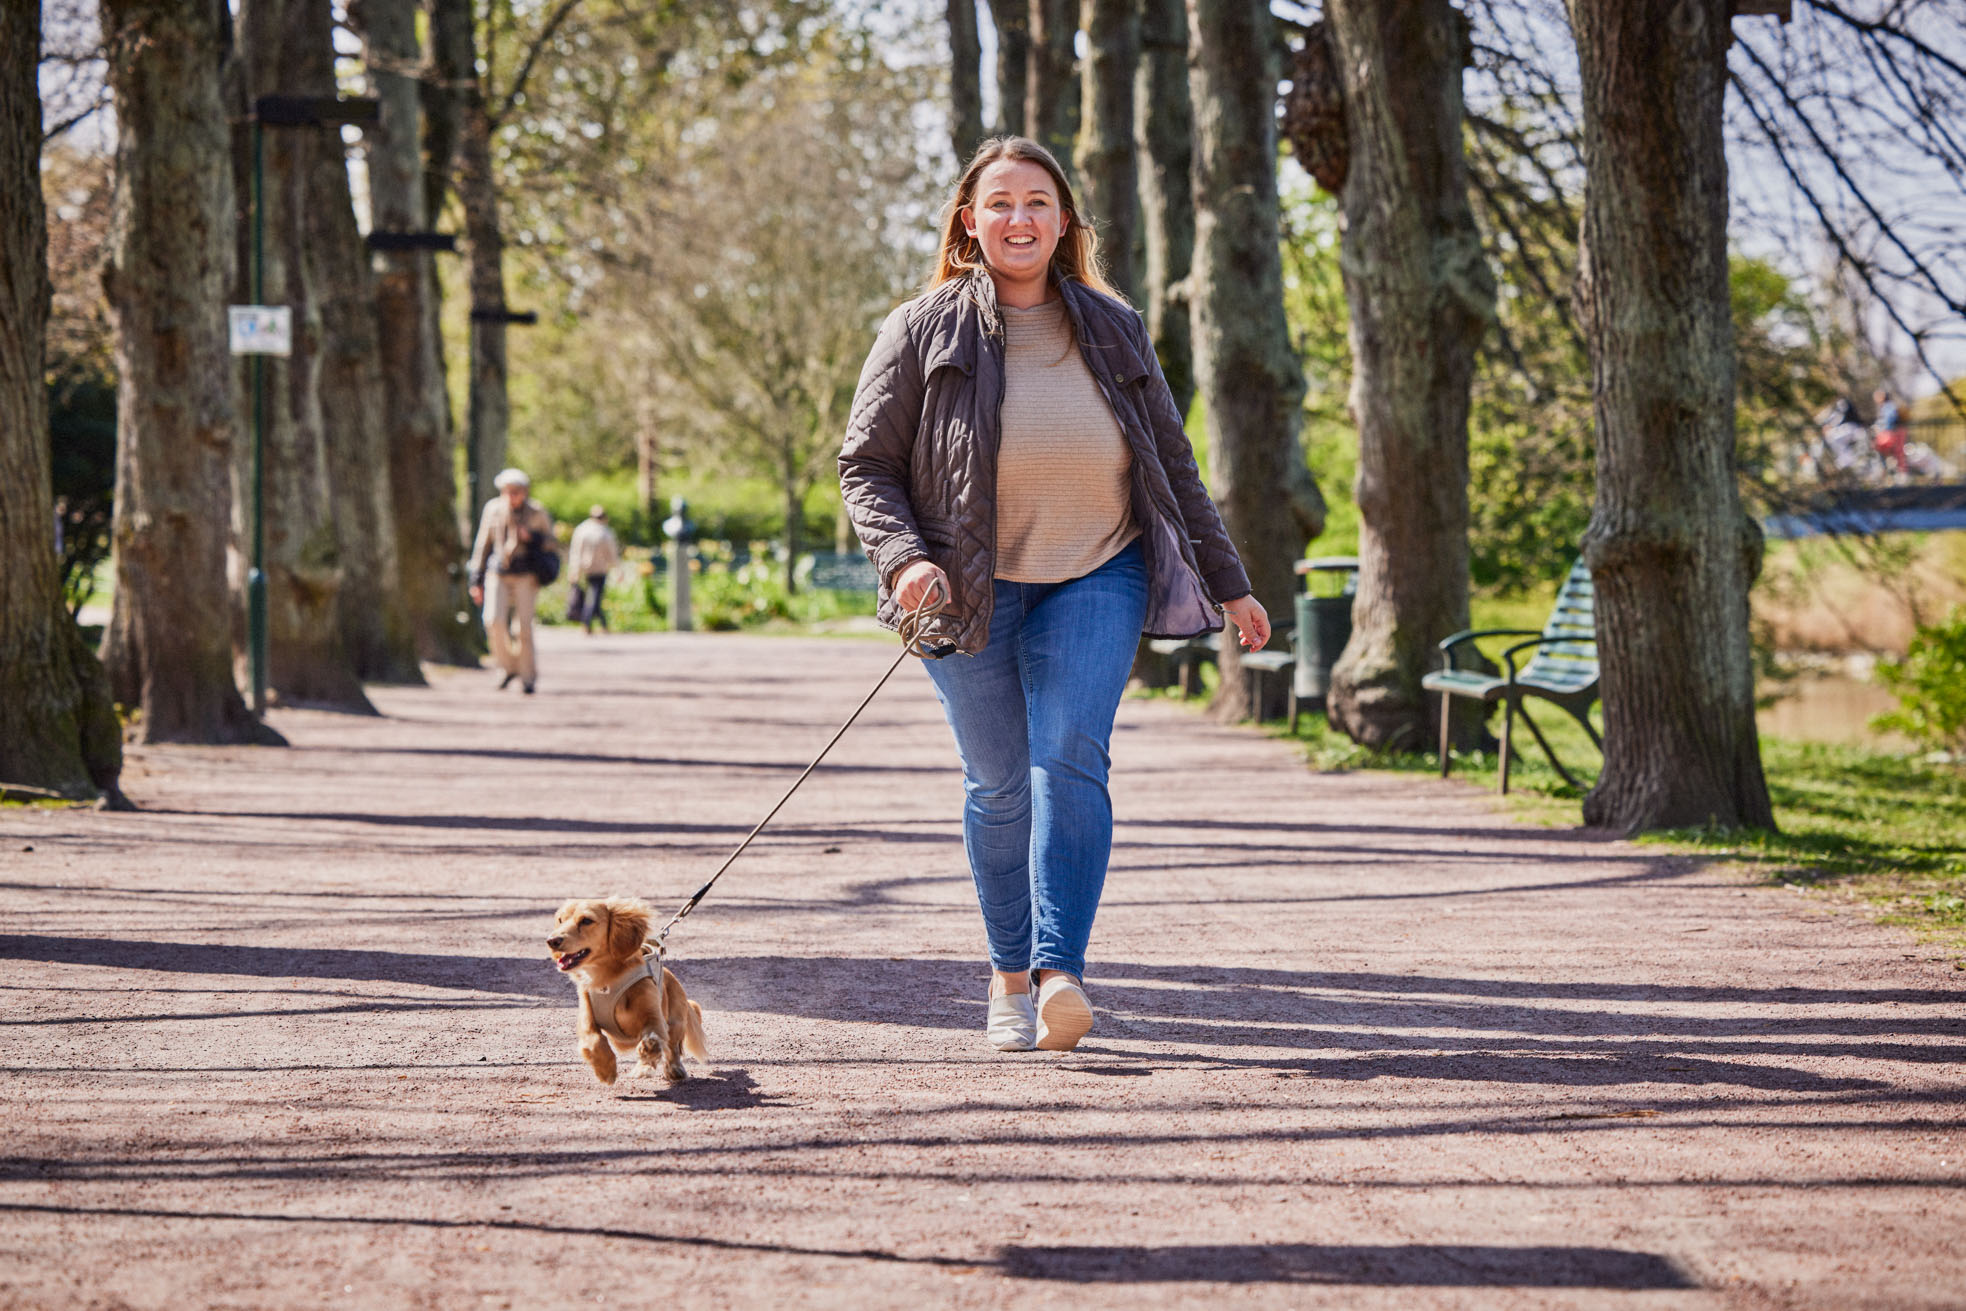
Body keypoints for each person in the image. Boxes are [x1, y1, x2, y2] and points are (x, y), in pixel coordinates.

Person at [838, 137, 1269, 1054]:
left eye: (1038, 202)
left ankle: (1059, 969)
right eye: (999, 203)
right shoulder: (918, 329)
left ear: (1065, 220)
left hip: (1097, 572)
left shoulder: (1113, 325)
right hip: (966, 592)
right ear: (969, 220)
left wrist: (1228, 582)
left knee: (1069, 757)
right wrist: (906, 558)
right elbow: (866, 467)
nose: (1019, 218)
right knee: (999, 785)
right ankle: (1006, 976)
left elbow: (1171, 461)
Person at [468, 467, 558, 694]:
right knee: (493, 620)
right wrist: (475, 579)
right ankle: (507, 668)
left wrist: (533, 538)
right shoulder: (493, 510)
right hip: (497, 572)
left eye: (517, 491)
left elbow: (552, 544)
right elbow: (483, 545)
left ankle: (528, 677)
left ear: (525, 492)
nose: (513, 495)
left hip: (526, 575)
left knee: (523, 628)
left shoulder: (536, 512)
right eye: (509, 491)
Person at [567, 505, 621, 634]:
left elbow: (576, 552)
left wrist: (574, 570)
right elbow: (612, 554)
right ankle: (587, 623)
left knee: (594, 597)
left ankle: (601, 624)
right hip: (600, 568)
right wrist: (618, 570)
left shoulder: (581, 530)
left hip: (585, 568)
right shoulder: (605, 532)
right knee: (596, 597)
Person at [1873, 388, 1909, 476]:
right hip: (1895, 431)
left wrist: (1882, 429)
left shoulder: (1888, 406)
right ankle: (1894, 472)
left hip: (1893, 432)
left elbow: (1890, 419)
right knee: (1896, 453)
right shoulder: (1886, 406)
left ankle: (1898, 473)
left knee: (1896, 452)